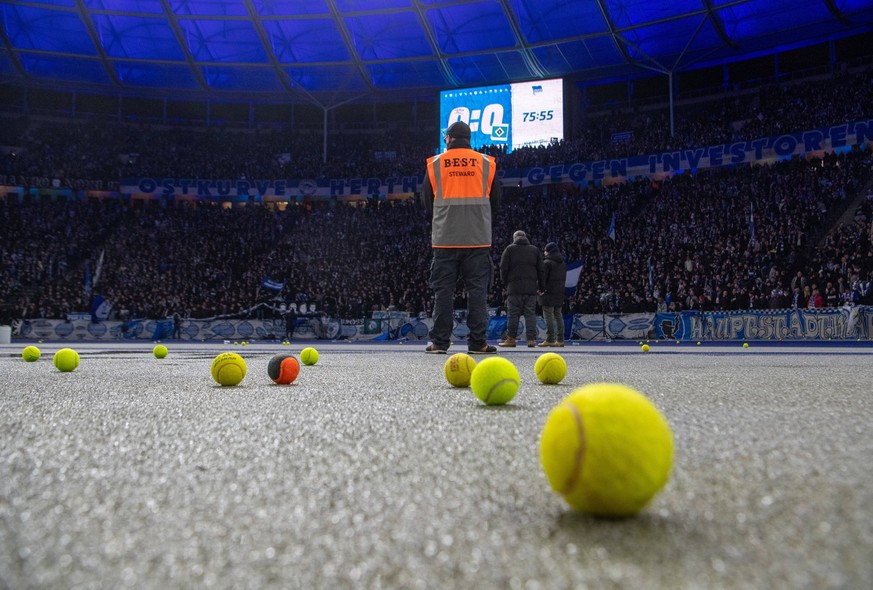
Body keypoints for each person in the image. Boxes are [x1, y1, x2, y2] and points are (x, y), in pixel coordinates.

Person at [422, 120, 501, 354]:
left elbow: (428, 203)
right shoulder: (486, 163)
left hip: (445, 239)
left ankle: (439, 343)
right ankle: (478, 343)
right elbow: (495, 202)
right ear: (469, 139)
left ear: (449, 138)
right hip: (477, 239)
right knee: (477, 292)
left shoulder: (435, 164)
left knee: (443, 292)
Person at [497, 230, 544, 348]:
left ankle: (511, 339)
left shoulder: (509, 249)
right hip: (531, 288)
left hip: (514, 288)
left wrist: (506, 283)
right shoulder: (534, 250)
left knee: (513, 314)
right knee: (530, 314)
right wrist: (541, 286)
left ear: (514, 238)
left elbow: (503, 268)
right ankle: (531, 340)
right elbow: (541, 270)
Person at [537, 242, 567, 347]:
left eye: (545, 250)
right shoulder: (562, 263)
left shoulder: (547, 263)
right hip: (559, 293)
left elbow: (543, 279)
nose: (544, 252)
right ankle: (560, 340)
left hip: (548, 294)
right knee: (558, 315)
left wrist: (540, 289)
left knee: (548, 315)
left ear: (549, 251)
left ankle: (550, 339)